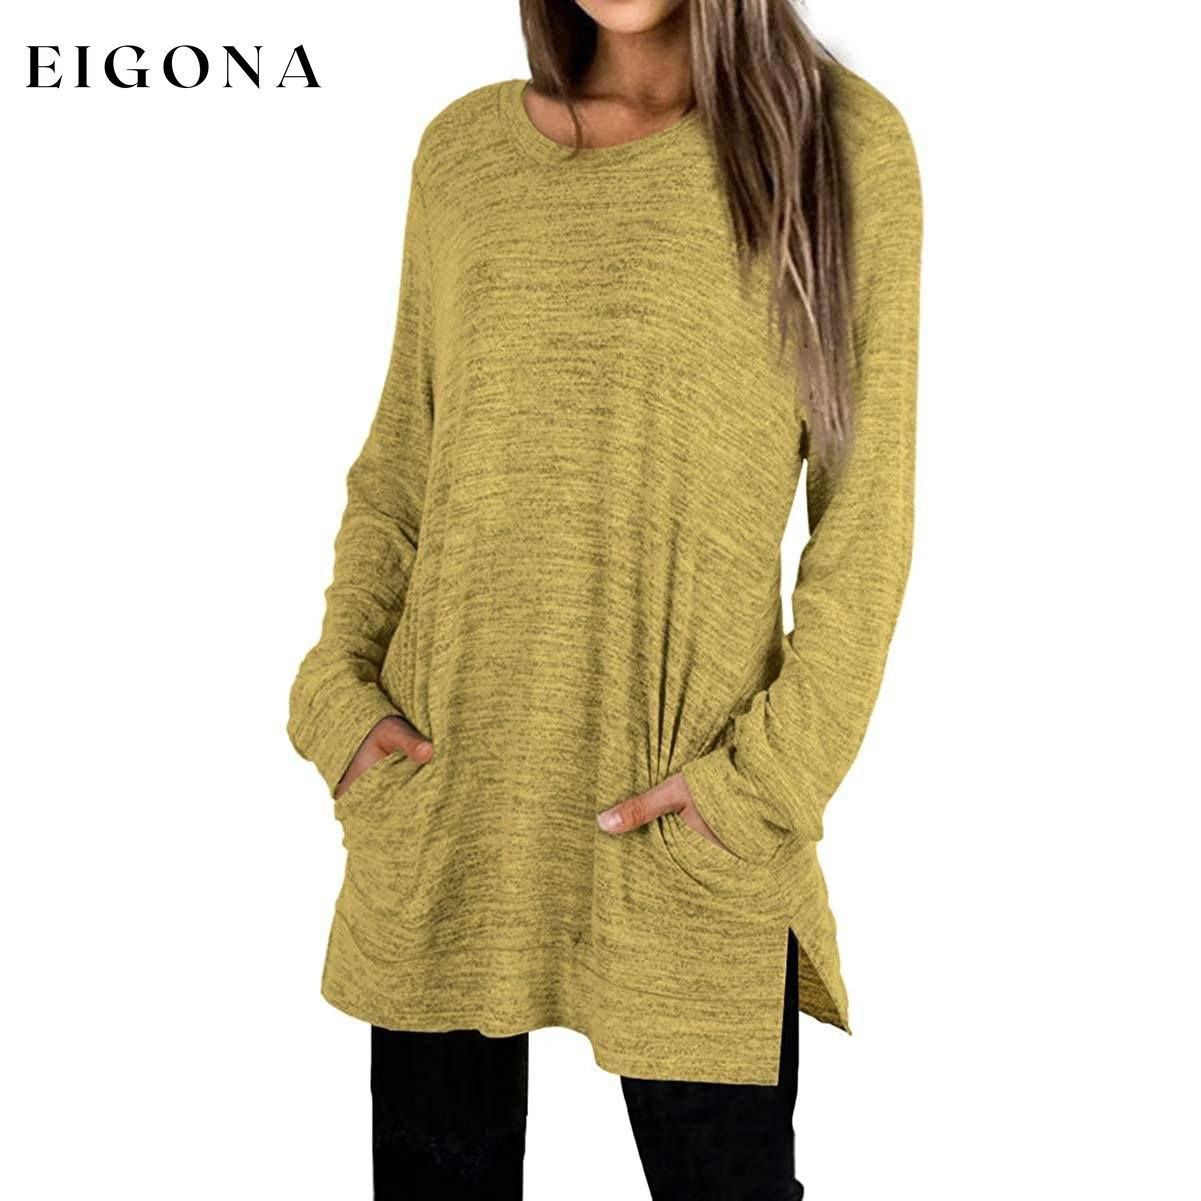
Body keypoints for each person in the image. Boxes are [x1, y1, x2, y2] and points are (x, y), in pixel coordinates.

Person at [286, 1, 923, 1196]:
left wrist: (762, 789)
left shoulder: (836, 145)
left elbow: (865, 518)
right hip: (441, 794)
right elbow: (402, 468)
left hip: (686, 812)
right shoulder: (463, 151)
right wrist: (337, 703)